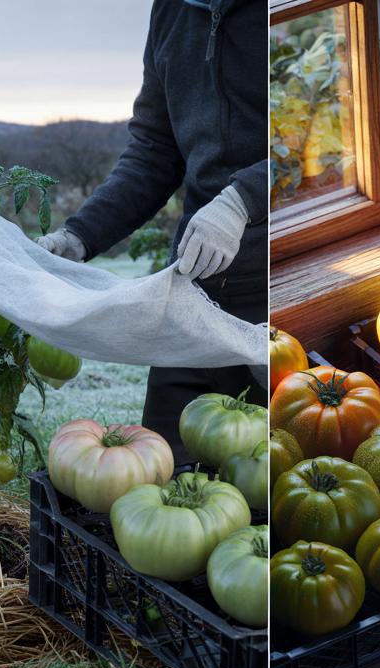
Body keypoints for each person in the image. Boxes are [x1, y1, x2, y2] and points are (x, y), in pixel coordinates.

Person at [36, 0, 266, 465]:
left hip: (274, 293)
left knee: (267, 481)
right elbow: (154, 151)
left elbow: (320, 138)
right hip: (191, 289)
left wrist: (245, 198)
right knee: (162, 473)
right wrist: (81, 235)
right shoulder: (171, 11)